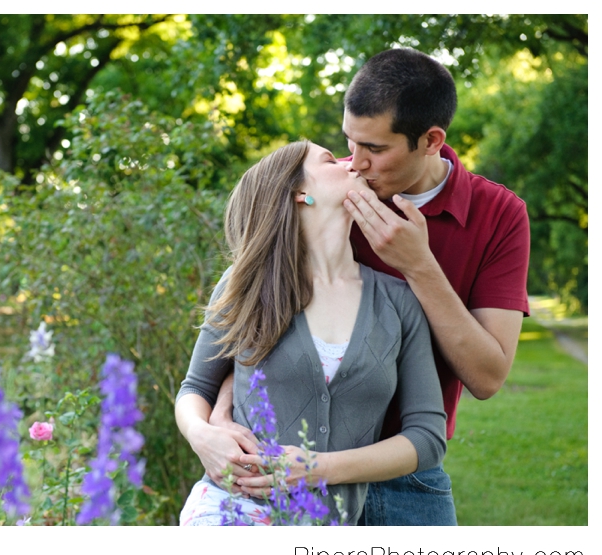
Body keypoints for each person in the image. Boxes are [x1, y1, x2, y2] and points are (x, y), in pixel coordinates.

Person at [208, 48, 531, 526]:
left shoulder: (498, 215)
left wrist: (419, 266)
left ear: (431, 140)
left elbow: (487, 377)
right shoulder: (326, 194)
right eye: (348, 142)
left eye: (375, 149)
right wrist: (213, 419)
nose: (355, 163)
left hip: (408, 477)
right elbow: (251, 308)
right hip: (286, 474)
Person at [175, 139, 447, 526]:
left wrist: (320, 468)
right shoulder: (246, 284)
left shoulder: (398, 301)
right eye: (330, 160)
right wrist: (201, 436)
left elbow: (428, 438)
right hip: (231, 510)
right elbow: (195, 388)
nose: (352, 163)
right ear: (299, 193)